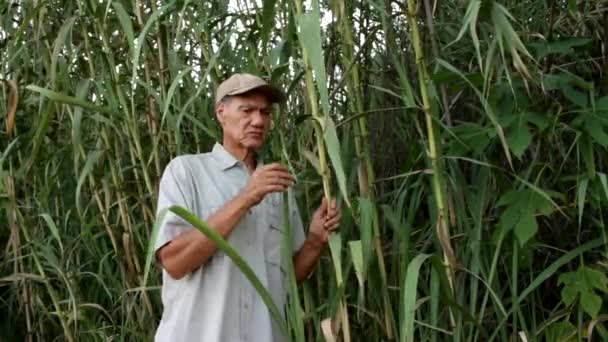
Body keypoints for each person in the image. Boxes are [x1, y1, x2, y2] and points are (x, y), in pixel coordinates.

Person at [153, 73, 341, 342]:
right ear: (221, 112)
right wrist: (246, 197)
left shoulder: (279, 186)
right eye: (247, 110)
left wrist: (314, 241)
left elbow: (285, 281)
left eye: (265, 112)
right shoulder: (187, 171)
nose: (258, 120)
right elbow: (174, 262)